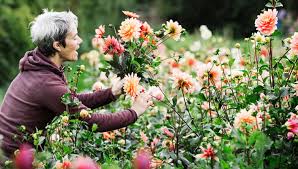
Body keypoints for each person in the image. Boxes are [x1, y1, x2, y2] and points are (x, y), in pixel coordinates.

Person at [0, 9, 152, 159]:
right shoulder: (45, 83)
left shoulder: (40, 69)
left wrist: (111, 93)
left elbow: (72, 101)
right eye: (74, 37)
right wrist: (134, 112)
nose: (80, 41)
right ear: (57, 45)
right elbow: (92, 121)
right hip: (13, 161)